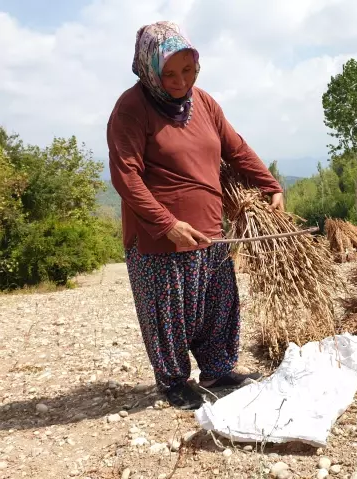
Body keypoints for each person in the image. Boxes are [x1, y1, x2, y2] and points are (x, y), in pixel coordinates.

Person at [106, 21, 284, 410]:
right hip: (159, 237)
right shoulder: (132, 108)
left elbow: (236, 148)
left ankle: (218, 370)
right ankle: (173, 382)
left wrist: (270, 185)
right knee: (169, 312)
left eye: (187, 70)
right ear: (148, 70)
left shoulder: (203, 102)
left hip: (209, 230)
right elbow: (126, 175)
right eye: (168, 72)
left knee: (217, 305)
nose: (179, 80)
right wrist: (166, 223)